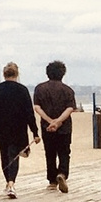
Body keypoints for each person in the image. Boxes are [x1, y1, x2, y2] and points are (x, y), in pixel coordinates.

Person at [0, 62, 39, 198]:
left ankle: (9, 183)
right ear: (17, 74)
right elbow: (29, 113)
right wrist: (35, 132)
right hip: (18, 128)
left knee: (4, 156)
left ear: (4, 74)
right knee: (14, 156)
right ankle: (11, 184)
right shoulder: (22, 90)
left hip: (1, 128)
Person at [33, 60, 79, 192]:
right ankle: (62, 173)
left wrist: (49, 121)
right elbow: (70, 108)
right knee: (64, 152)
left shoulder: (39, 88)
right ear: (63, 74)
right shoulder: (68, 90)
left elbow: (37, 107)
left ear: (48, 73)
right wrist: (58, 121)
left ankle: (52, 181)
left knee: (50, 152)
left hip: (46, 127)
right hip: (64, 127)